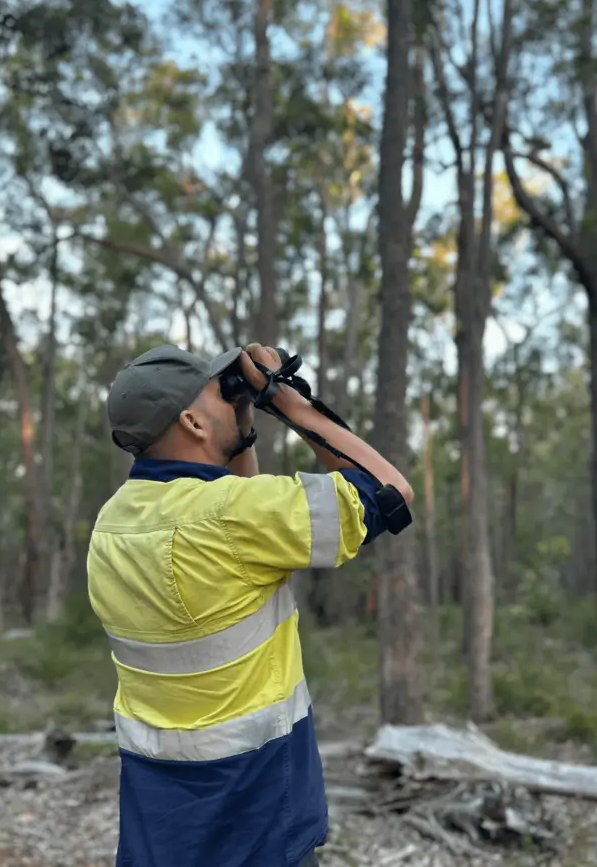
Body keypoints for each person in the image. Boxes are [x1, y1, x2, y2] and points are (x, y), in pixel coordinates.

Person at [87, 342, 414, 867]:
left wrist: (237, 414)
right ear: (193, 422)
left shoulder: (112, 524)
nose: (233, 397)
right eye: (221, 392)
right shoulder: (232, 518)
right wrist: (279, 399)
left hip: (162, 827)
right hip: (260, 817)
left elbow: (234, 507)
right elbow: (389, 489)